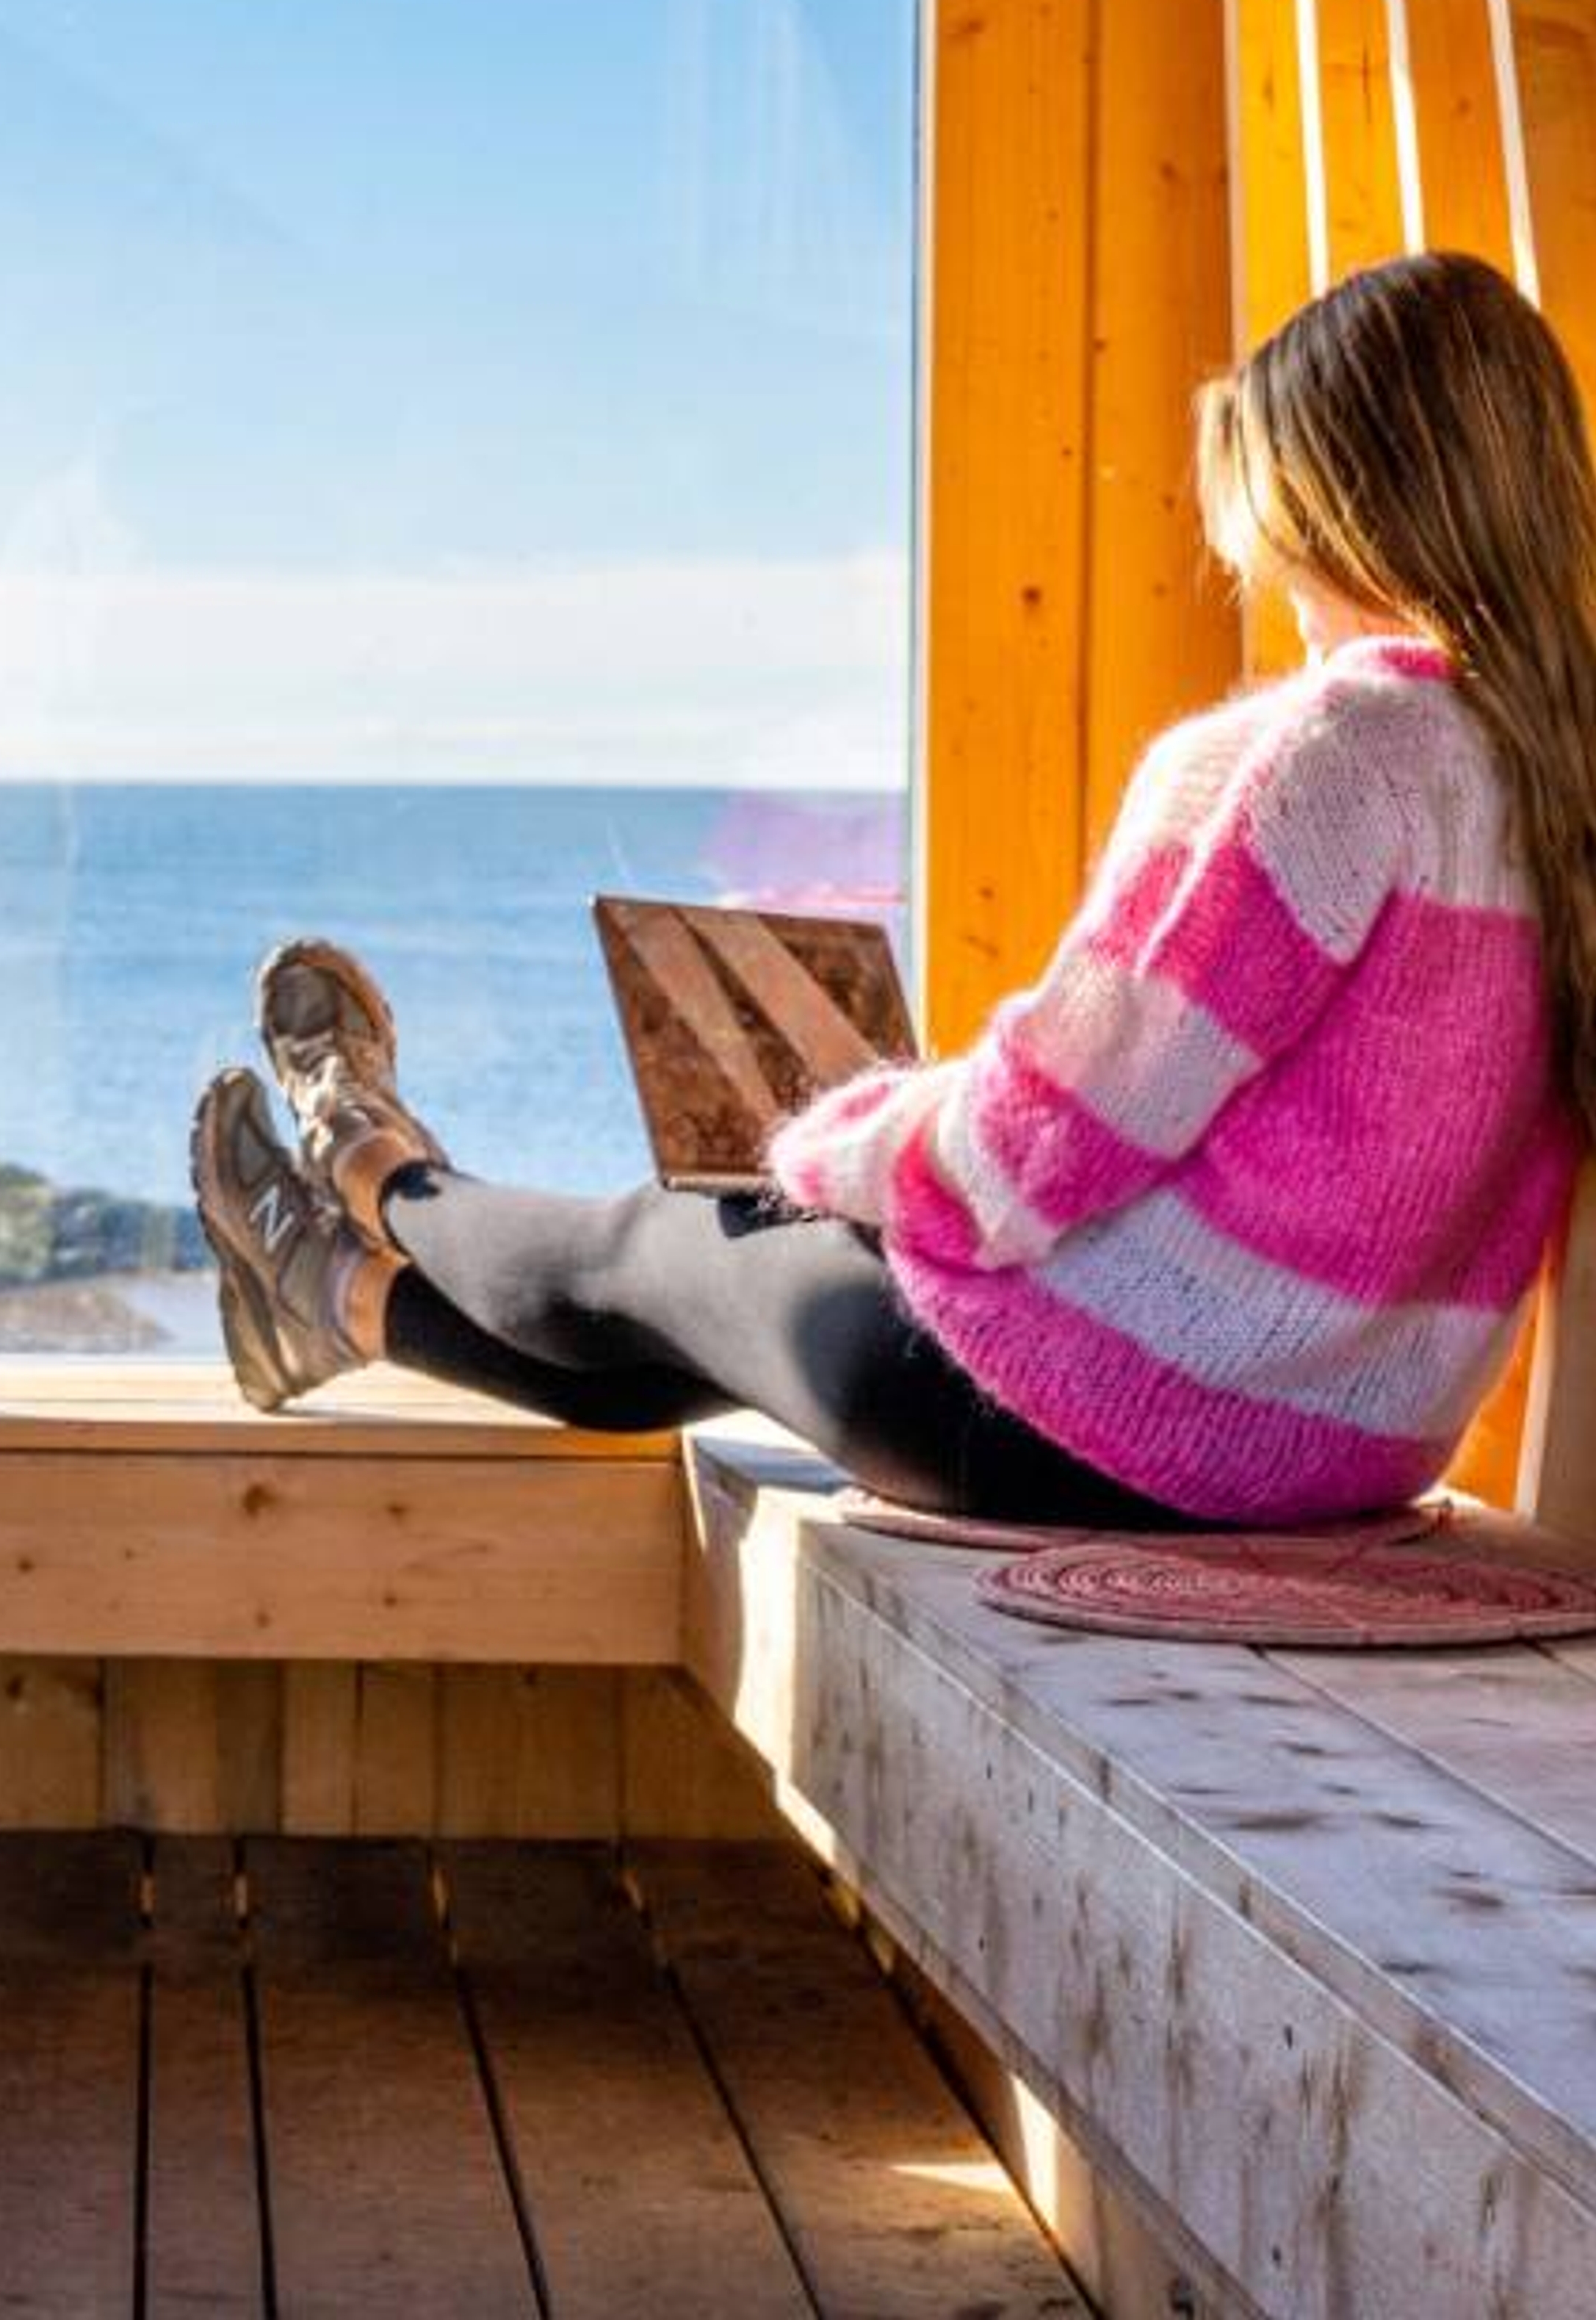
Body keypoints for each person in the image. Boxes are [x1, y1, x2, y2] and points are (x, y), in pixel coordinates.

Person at [189, 251, 1595, 1528]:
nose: (1269, 574)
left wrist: (826, 1154)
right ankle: (332, 1297)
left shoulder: (1331, 755)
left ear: (1330, 501)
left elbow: (1041, 1146)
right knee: (707, 1326)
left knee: (674, 1242)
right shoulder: (1563, 769)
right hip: (1349, 1457)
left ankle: (367, 1158)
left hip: (1106, 1430)